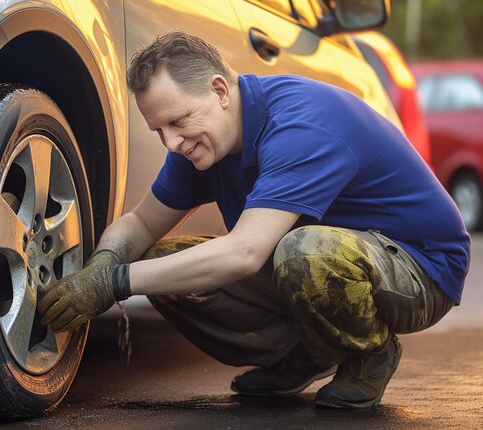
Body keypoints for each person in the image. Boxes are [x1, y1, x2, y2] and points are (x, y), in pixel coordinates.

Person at [38, 30, 470, 409]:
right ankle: (307, 353)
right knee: (161, 260)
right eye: (158, 131)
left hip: (421, 269)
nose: (171, 142)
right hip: (331, 258)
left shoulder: (299, 125)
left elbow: (245, 253)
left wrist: (114, 284)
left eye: (178, 121)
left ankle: (368, 353)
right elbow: (141, 223)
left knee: (303, 251)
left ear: (220, 91)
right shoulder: (203, 142)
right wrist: (103, 264)